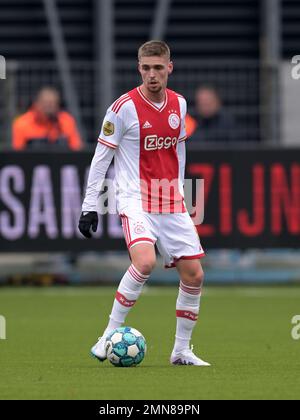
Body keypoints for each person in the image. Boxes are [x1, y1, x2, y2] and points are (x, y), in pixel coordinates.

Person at [78, 40, 210, 367]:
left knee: (194, 274)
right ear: (139, 69)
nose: (153, 75)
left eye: (158, 68)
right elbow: (101, 159)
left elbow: (177, 150)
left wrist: (179, 187)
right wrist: (89, 205)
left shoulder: (179, 104)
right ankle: (108, 334)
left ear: (169, 68)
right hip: (135, 198)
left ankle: (181, 351)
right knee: (145, 262)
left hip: (170, 199)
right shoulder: (123, 108)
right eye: (146, 68)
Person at [12, 87, 83, 151]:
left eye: (52, 103)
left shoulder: (67, 121)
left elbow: (76, 148)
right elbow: (18, 152)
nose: (49, 107)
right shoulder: (22, 123)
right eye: (45, 103)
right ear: (36, 103)